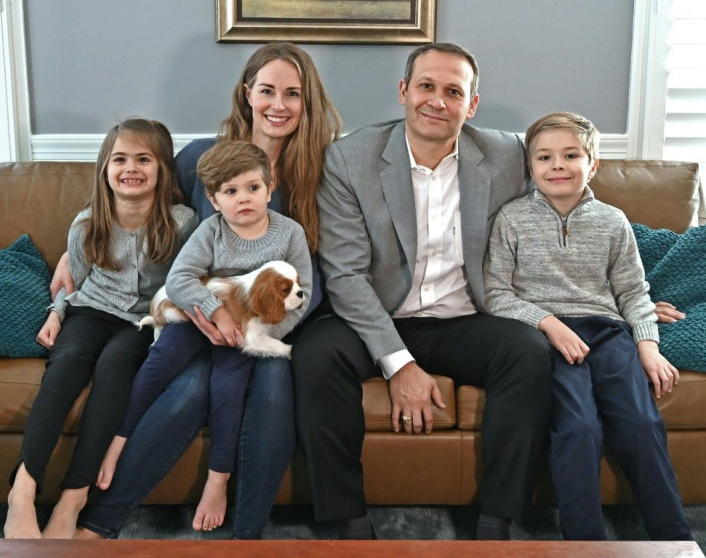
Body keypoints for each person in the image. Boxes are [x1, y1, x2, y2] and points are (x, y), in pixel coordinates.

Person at [68, 42, 341, 539]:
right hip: (204, 315)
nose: (278, 104)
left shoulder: (323, 172)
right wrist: (75, 251)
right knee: (190, 388)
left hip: (281, 321)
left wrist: (270, 324)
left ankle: (247, 537)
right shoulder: (200, 161)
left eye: (293, 94)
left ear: (308, 102)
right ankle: (100, 523)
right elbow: (139, 212)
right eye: (267, 90)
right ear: (247, 94)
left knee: (276, 388)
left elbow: (318, 275)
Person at [291, 42, 556, 541]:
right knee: (315, 354)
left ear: (471, 104)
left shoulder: (507, 156)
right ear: (403, 92)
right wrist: (399, 363)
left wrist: (628, 291)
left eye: (453, 91)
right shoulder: (350, 158)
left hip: (465, 317)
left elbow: (564, 216)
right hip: (378, 315)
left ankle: (497, 524)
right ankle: (347, 522)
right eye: (426, 87)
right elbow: (346, 275)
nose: (437, 100)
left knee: (528, 352)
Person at [483, 111, 692, 541]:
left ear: (592, 164)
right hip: (547, 338)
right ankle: (586, 543)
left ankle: (675, 540)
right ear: (530, 167)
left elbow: (635, 293)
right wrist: (547, 324)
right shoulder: (511, 220)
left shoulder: (614, 222)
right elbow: (495, 294)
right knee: (578, 428)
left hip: (607, 331)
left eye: (570, 155)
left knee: (641, 423)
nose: (556, 165)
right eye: (544, 157)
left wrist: (647, 346)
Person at [99, 140, 312, 532]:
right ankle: (119, 438)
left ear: (270, 187)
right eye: (230, 192)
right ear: (213, 200)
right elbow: (179, 278)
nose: (243, 199)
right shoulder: (209, 231)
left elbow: (305, 294)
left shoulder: (289, 233)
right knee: (160, 361)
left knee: (226, 391)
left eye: (252, 188)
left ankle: (218, 479)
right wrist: (214, 314)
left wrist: (255, 333)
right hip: (199, 321)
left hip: (247, 335)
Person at [3, 119, 198, 539]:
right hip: (91, 309)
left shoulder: (184, 223)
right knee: (68, 362)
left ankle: (73, 497)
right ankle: (22, 488)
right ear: (105, 169)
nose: (132, 168)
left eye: (144, 159)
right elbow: (73, 281)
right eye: (120, 159)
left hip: (146, 320)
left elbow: (189, 278)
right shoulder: (88, 222)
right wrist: (56, 314)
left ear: (163, 168)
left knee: (114, 369)